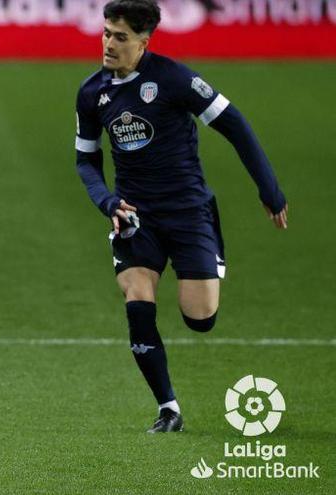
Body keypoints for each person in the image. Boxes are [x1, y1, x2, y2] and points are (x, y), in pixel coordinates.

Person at [74, 0, 287, 433]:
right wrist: (108, 202)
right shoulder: (91, 92)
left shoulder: (175, 79)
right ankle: (168, 408)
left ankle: (202, 276)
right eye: (106, 33)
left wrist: (269, 188)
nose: (109, 44)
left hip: (189, 211)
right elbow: (86, 161)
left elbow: (235, 125)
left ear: (143, 42)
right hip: (135, 216)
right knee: (137, 300)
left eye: (120, 37)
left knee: (200, 318)